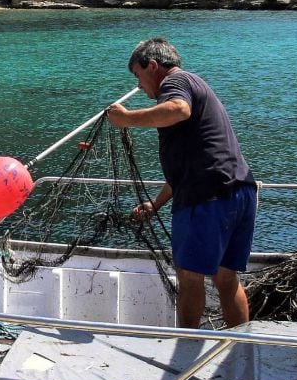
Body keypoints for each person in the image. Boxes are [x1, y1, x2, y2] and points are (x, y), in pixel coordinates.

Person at [106, 38, 257, 329]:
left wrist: (126, 119)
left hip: (207, 197)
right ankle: (241, 347)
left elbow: (177, 110)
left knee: (189, 277)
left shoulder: (175, 83)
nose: (139, 85)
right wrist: (155, 204)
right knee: (226, 278)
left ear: (152, 66)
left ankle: (187, 348)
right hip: (239, 191)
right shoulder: (195, 82)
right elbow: (190, 168)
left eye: (138, 75)